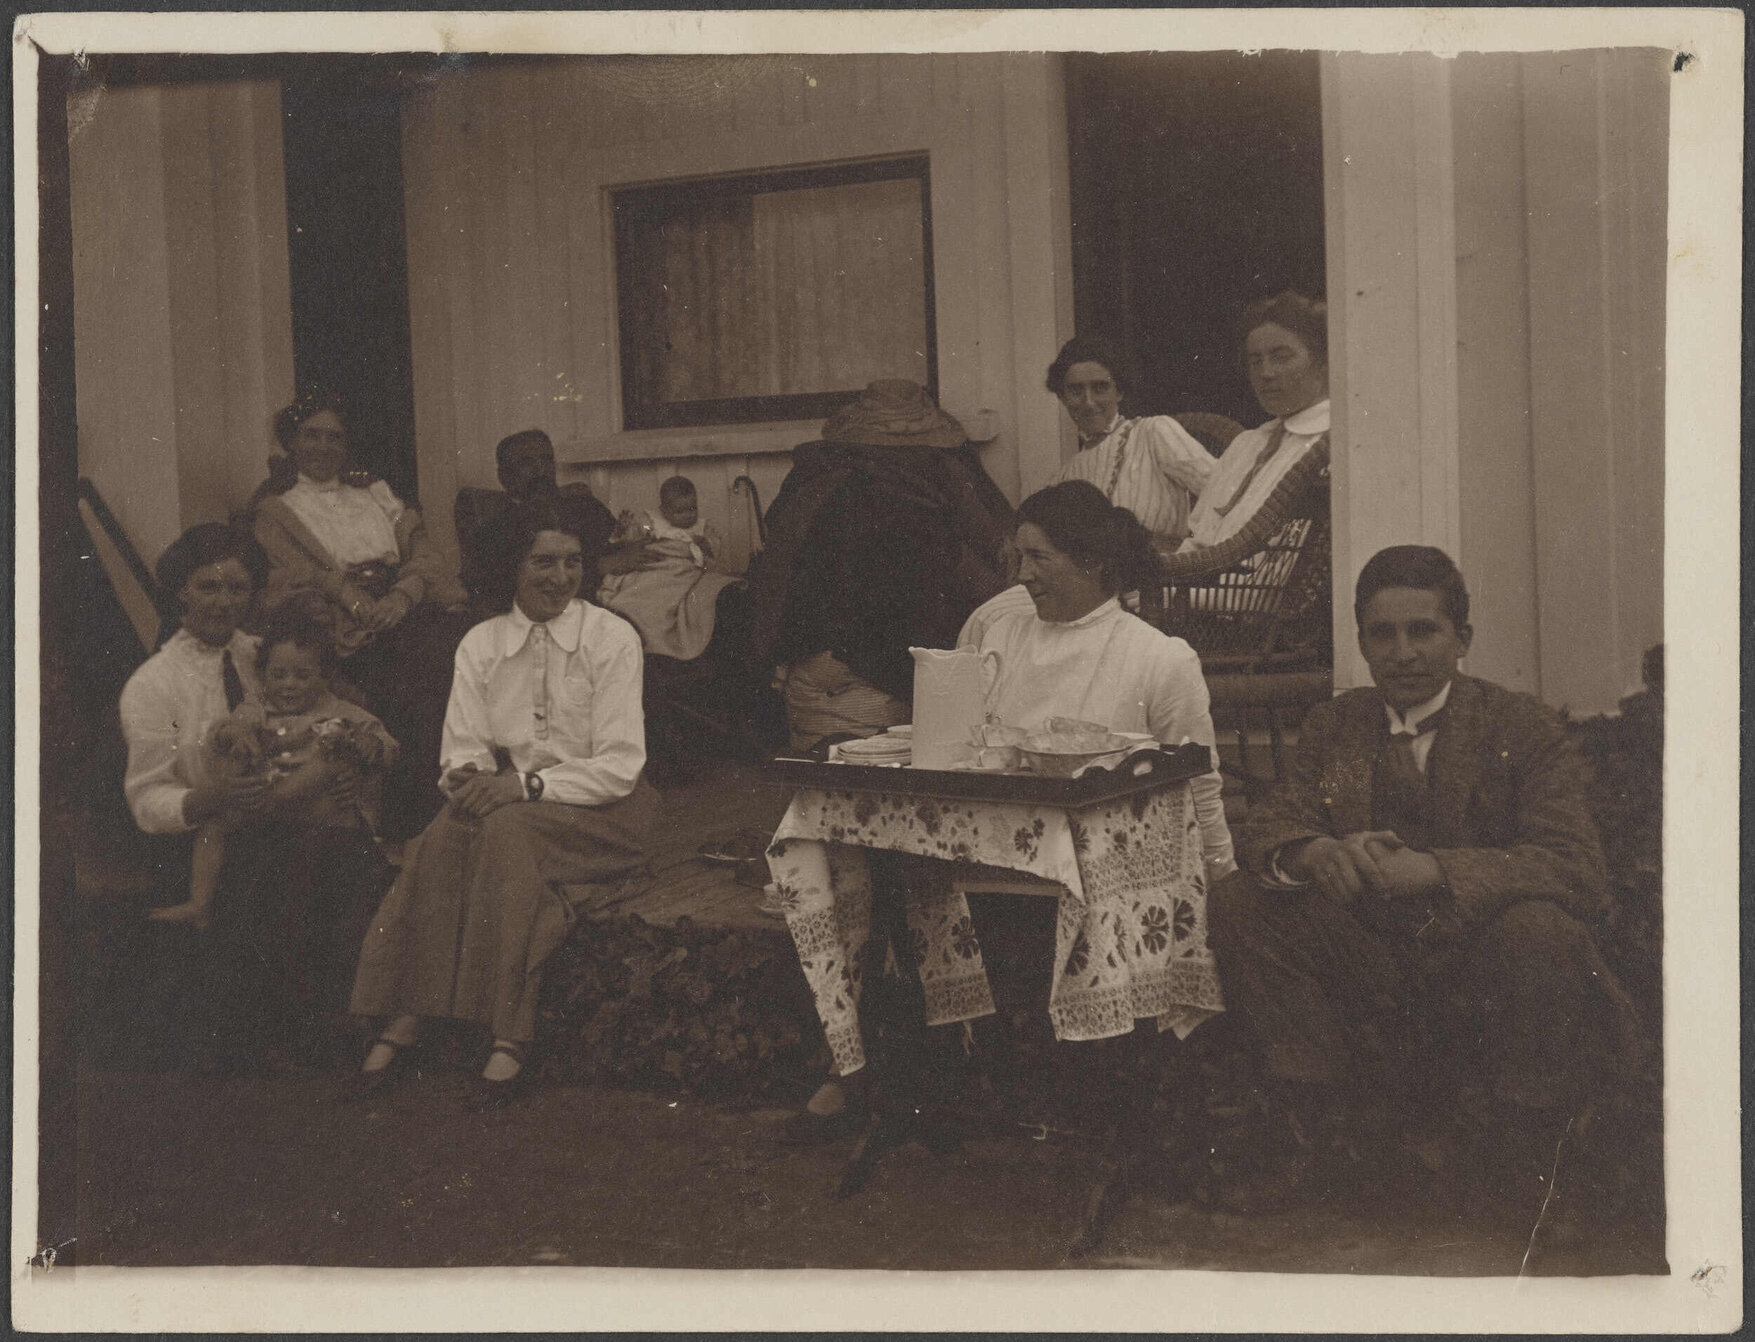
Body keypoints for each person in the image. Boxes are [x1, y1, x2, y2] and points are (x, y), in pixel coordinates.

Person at [1206, 545, 1642, 1214]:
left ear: (1461, 639)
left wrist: (1438, 870)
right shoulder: (1336, 725)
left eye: (1423, 631)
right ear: (1359, 641)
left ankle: (1524, 1167)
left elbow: (1575, 865)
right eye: (1381, 634)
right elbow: (1270, 829)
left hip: (1486, 971)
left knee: (1540, 927)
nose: (1403, 653)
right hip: (1371, 967)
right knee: (1243, 900)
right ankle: (1313, 1140)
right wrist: (1315, 852)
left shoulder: (1519, 726)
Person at [789, 480, 1234, 1134]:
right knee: (856, 864)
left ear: (1095, 564)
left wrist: (1219, 873)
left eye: (1038, 559)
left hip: (1099, 872)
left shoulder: (1157, 658)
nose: (1021, 575)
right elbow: (955, 732)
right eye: (1017, 558)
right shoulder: (1000, 630)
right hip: (981, 850)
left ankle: (1097, 1102)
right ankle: (866, 1065)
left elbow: (1199, 781)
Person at [348, 497, 659, 1108]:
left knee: (505, 833)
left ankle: (508, 1029)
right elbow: (461, 753)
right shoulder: (482, 644)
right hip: (517, 805)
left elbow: (621, 767)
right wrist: (470, 786)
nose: (561, 578)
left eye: (573, 562)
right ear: (510, 568)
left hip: (608, 811)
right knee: (444, 830)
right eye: (543, 562)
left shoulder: (611, 636)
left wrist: (524, 787)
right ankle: (409, 1007)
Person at [119, 523, 385, 1071]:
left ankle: (342, 1022)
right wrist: (212, 796)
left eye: (237, 588)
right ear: (180, 593)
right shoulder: (153, 683)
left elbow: (330, 710)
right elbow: (148, 799)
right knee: (295, 864)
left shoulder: (264, 653)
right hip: (204, 838)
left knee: (349, 853)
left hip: (286, 818)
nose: (223, 602)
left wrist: (348, 770)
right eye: (208, 587)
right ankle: (294, 1031)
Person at [746, 379, 1014, 753]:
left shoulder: (815, 476)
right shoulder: (919, 492)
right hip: (869, 681)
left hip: (808, 674)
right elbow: (990, 579)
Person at [252, 389, 471, 838]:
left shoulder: (377, 495)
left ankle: (463, 804)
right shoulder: (279, 510)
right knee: (413, 681)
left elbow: (425, 558)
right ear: (292, 443)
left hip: (401, 606)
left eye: (334, 438)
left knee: (463, 653)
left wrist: (401, 598)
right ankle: (415, 823)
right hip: (341, 625)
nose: (323, 447)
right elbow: (292, 576)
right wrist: (352, 598)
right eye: (311, 436)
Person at [149, 610, 397, 933]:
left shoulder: (341, 711)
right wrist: (238, 735)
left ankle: (276, 798)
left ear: (324, 678)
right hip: (268, 809)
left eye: (302, 676)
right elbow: (228, 727)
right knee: (213, 827)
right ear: (264, 675)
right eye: (279, 675)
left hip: (321, 810)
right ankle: (199, 904)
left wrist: (371, 743)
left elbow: (386, 744)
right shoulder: (259, 707)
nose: (289, 685)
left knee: (336, 750)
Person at [1166, 292, 1331, 571]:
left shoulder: (1327, 446)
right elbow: (1195, 536)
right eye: (1256, 361)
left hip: (1255, 600)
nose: (1265, 373)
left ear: (1322, 362)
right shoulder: (1248, 443)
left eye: (1281, 357)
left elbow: (1282, 568)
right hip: (1194, 590)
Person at [1046, 335, 1216, 552]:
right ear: (1062, 397)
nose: (1088, 402)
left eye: (1100, 388)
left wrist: (1197, 548)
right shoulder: (1064, 478)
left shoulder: (1153, 433)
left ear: (1119, 392)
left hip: (1168, 576)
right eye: (1076, 390)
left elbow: (1224, 493)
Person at [455, 428, 623, 601]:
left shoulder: (585, 504)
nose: (541, 470)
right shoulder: (496, 531)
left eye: (546, 459)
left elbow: (619, 541)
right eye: (526, 462)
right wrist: (602, 566)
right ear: (504, 476)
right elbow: (497, 589)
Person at [596, 473, 739, 661]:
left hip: (682, 570)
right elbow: (631, 539)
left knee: (669, 600)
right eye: (680, 512)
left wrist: (706, 545)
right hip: (657, 565)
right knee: (643, 587)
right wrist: (622, 530)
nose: (688, 515)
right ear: (664, 510)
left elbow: (715, 546)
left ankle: (653, 634)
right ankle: (626, 612)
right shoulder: (652, 524)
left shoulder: (701, 528)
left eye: (692, 508)